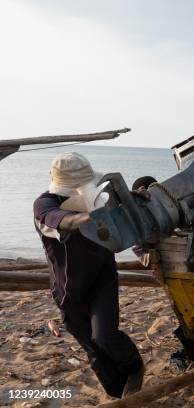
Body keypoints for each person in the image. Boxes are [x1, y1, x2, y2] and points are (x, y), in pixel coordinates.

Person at [33, 152, 144, 399]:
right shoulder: (44, 204)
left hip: (102, 279)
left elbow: (124, 207)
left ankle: (136, 368)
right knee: (95, 354)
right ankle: (119, 394)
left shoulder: (96, 198)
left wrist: (135, 200)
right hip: (67, 289)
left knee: (105, 336)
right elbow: (63, 221)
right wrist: (92, 217)